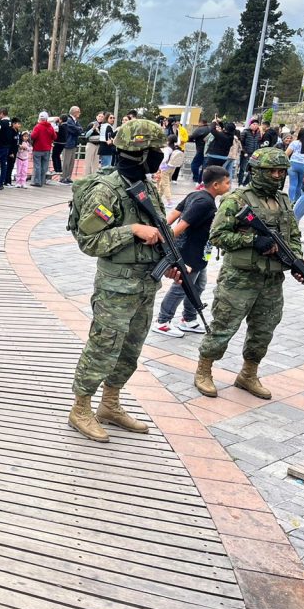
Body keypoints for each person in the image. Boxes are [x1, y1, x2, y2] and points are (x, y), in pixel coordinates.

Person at [68, 119, 172, 443]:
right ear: (141, 153)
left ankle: (110, 403)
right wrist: (132, 231)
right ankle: (80, 409)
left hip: (144, 285)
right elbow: (88, 241)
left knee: (130, 349)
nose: (160, 156)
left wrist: (168, 261)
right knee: (103, 347)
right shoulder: (106, 190)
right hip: (116, 287)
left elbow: (158, 228)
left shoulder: (146, 185)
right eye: (156, 150)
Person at [194, 147, 304, 399]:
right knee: (224, 326)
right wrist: (252, 240)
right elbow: (217, 235)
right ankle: (204, 370)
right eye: (272, 171)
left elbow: (294, 236)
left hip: (271, 279)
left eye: (281, 171)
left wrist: (298, 262)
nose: (277, 176)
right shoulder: (236, 200)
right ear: (256, 172)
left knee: (264, 329)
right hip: (239, 278)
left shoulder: (283, 201)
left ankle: (248, 374)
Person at [151, 166, 231, 337]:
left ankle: (188, 319)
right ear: (215, 185)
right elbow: (181, 225)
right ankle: (163, 321)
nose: (229, 186)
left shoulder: (196, 195)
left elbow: (173, 213)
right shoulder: (204, 202)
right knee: (182, 287)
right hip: (189, 253)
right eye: (227, 182)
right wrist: (162, 240)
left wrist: (162, 231)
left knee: (199, 285)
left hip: (200, 253)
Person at [155, 134, 184, 207]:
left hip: (165, 168)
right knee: (162, 184)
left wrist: (159, 165)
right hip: (172, 168)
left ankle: (169, 201)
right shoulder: (175, 147)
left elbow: (165, 159)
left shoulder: (167, 149)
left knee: (165, 184)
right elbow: (179, 141)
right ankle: (158, 198)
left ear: (168, 140)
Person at [31, 111, 55, 187]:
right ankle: (42, 180)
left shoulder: (37, 127)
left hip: (37, 148)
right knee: (44, 166)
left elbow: (33, 136)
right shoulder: (50, 127)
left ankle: (37, 182)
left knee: (37, 166)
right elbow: (54, 137)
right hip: (47, 149)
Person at [59, 106, 82, 184]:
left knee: (72, 162)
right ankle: (63, 177)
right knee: (66, 161)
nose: (79, 113)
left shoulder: (75, 121)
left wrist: (78, 129)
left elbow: (80, 129)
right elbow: (73, 129)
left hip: (74, 143)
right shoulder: (68, 120)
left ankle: (68, 177)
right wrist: (78, 129)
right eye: (78, 111)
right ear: (74, 112)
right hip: (67, 143)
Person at [239, 118, 262, 185]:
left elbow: (259, 142)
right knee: (243, 169)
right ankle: (240, 183)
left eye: (257, 124)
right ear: (250, 125)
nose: (255, 126)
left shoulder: (258, 134)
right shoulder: (245, 132)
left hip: (254, 154)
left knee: (251, 169)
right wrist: (244, 152)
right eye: (254, 124)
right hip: (246, 153)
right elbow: (241, 143)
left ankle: (246, 183)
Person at [189, 120, 212, 184]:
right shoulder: (211, 129)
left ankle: (196, 178)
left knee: (194, 165)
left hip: (201, 150)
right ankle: (201, 180)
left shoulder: (200, 129)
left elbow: (192, 136)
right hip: (209, 151)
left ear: (201, 123)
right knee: (204, 166)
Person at [85, 112, 105, 176]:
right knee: (88, 162)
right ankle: (86, 176)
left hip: (98, 145)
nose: (100, 118)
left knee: (96, 163)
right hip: (91, 144)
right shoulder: (92, 124)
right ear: (96, 117)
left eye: (102, 117)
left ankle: (94, 176)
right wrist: (93, 129)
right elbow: (86, 135)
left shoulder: (103, 126)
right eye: (99, 116)